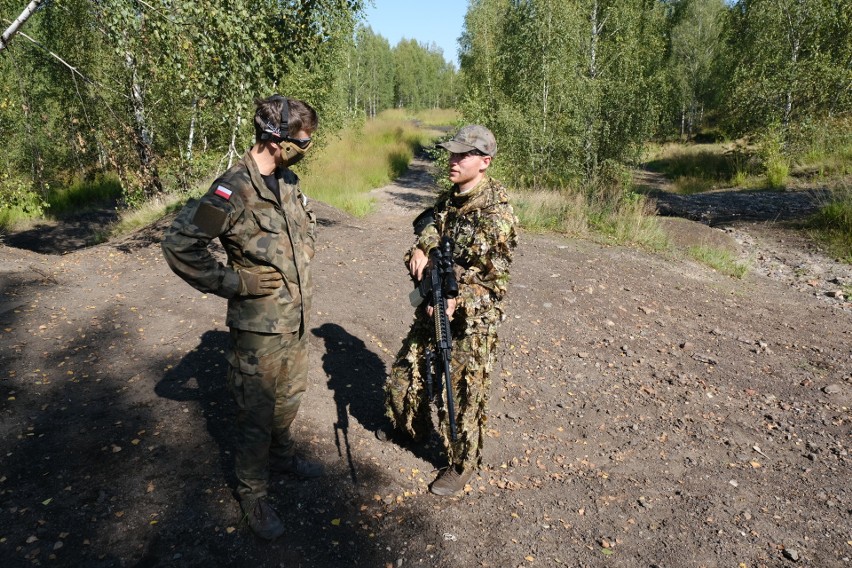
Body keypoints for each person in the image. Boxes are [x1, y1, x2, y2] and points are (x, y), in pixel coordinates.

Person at [161, 94, 323, 540]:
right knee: (255, 413)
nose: (307, 146)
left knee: (289, 399)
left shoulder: (287, 181)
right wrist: (237, 283)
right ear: (276, 139)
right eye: (302, 140)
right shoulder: (232, 189)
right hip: (257, 330)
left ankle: (283, 456)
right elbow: (180, 247)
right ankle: (253, 495)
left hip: (295, 320)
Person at [383, 124, 518, 496]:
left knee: (463, 395)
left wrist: (460, 298)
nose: (453, 160)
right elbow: (429, 227)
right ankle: (410, 428)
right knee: (403, 377)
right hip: (433, 304)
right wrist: (421, 249)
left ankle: (461, 465)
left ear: (485, 162)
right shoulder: (449, 199)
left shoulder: (497, 215)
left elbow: (493, 281)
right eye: (452, 153)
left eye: (463, 155)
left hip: (470, 321)